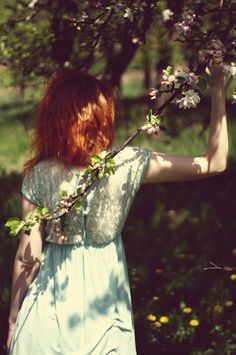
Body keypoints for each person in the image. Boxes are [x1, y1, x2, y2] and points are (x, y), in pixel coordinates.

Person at [7, 40, 227, 354]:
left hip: (45, 320)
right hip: (106, 313)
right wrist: (217, 88)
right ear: (101, 118)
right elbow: (214, 163)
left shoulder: (39, 175)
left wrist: (15, 317)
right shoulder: (129, 163)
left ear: (54, 119)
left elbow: (28, 258)